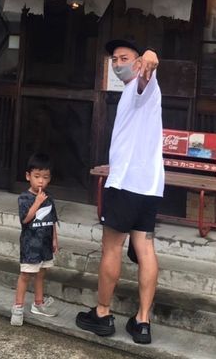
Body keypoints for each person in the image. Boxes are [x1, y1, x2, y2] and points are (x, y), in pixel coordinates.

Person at [76, 39, 162, 345]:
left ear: (137, 63)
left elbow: (147, 72)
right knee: (145, 248)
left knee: (111, 248)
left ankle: (102, 312)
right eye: (114, 59)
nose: (117, 63)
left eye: (123, 58)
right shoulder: (133, 91)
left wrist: (150, 58)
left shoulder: (143, 86)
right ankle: (142, 322)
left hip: (126, 184)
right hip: (150, 186)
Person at [11, 152, 59, 326]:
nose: (41, 181)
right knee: (25, 275)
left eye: (45, 177)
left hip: (45, 244)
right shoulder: (24, 198)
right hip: (30, 245)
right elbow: (25, 219)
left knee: (41, 273)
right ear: (28, 176)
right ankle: (17, 307)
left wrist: (54, 239)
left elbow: (52, 220)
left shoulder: (49, 198)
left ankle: (38, 303)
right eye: (37, 176)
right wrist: (37, 203)